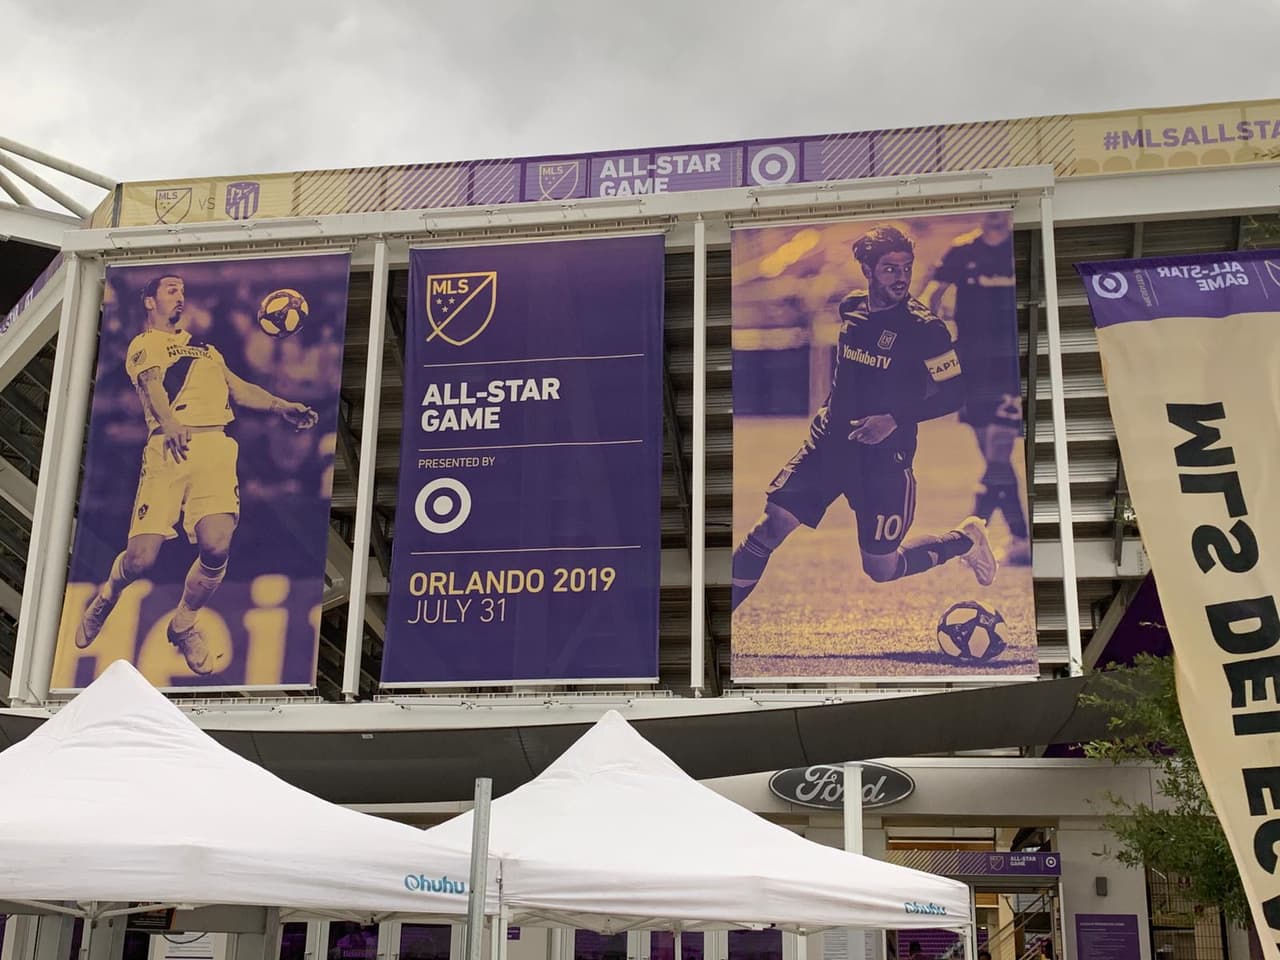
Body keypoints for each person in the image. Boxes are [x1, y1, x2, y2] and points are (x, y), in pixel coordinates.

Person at [732, 225, 997, 612]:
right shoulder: (850, 308)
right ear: (868, 271)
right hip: (829, 446)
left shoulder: (927, 330)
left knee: (881, 568)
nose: (901, 277)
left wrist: (894, 419)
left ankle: (964, 540)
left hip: (884, 461)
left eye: (906, 267)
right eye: (890, 269)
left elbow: (955, 394)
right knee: (771, 525)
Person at [74, 274, 318, 674]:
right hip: (168, 447)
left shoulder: (206, 349)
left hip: (216, 448)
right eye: (171, 290)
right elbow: (153, 385)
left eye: (183, 291)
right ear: (150, 301)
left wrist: (279, 405)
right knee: (140, 560)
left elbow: (239, 390)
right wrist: (169, 422)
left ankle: (184, 624)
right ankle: (106, 597)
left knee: (217, 545)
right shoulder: (145, 344)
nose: (180, 297)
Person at [922, 212, 1030, 566]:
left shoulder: (1023, 248)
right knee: (993, 460)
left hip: (1011, 367)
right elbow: (932, 295)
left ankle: (968, 538)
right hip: (972, 369)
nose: (995, 213)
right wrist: (929, 337)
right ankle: (1019, 539)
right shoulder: (962, 250)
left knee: (998, 453)